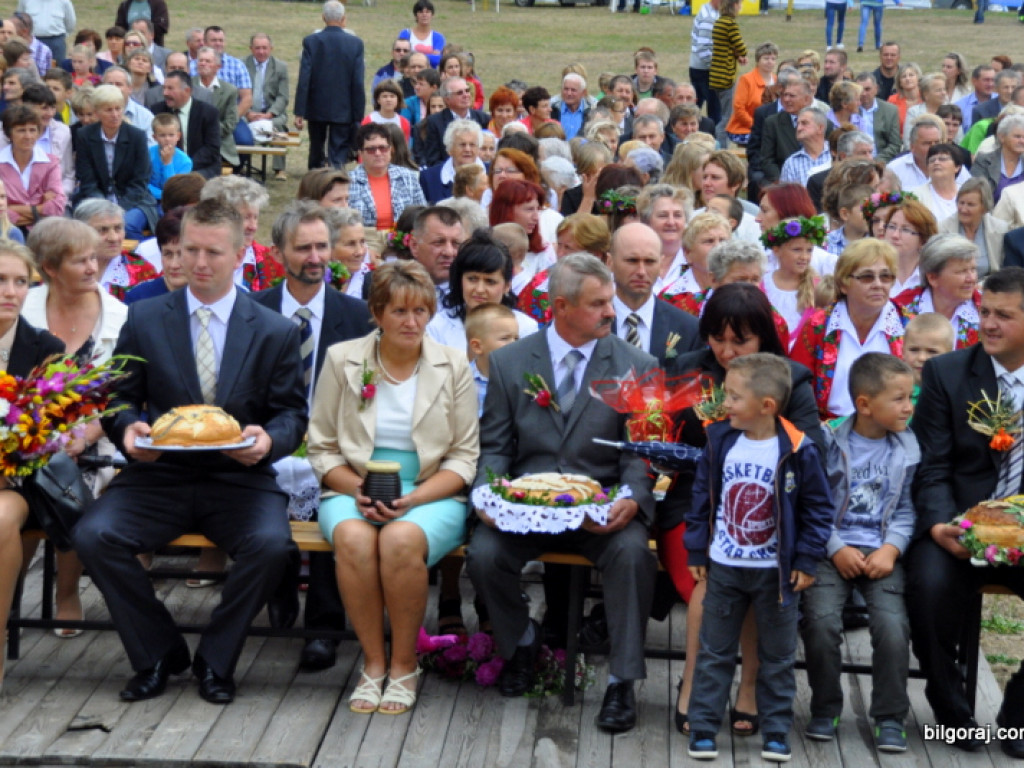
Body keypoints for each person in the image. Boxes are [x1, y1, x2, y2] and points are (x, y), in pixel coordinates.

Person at [72, 199, 307, 705]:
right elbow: (119, 395)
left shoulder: (275, 330)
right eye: (187, 250)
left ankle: (216, 660)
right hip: (159, 474)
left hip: (239, 478)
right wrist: (128, 428)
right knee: (93, 535)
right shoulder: (146, 317)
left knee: (270, 546)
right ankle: (158, 653)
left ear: (241, 253)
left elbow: (291, 414)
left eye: (212, 252)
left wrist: (268, 441)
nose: (198, 263)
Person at [466, 252, 657, 734]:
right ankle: (523, 643)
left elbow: (641, 449)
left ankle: (621, 680)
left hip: (601, 507)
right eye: (598, 304)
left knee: (634, 554)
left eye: (609, 301)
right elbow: (494, 446)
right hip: (528, 507)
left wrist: (632, 495)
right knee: (485, 555)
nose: (611, 312)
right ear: (561, 306)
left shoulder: (637, 364)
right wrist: (488, 498)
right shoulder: (510, 361)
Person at [309, 259, 477, 714]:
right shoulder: (343, 359)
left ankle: (405, 664)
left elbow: (464, 456)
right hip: (354, 483)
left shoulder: (452, 363)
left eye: (421, 311)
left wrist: (415, 498)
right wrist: (357, 488)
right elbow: (322, 447)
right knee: (353, 537)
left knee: (401, 539)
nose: (412, 322)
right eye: (400, 312)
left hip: (430, 486)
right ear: (377, 313)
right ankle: (373, 661)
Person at [684, 352, 832, 762]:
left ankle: (777, 731)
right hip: (725, 567)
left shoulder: (799, 449)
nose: (724, 403)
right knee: (714, 651)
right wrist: (697, 546)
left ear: (766, 405)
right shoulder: (719, 441)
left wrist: (805, 559)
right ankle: (703, 729)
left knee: (779, 656)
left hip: (777, 574)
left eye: (733, 396)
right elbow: (701, 500)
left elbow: (818, 509)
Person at [250, 201, 373, 670]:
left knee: (334, 498)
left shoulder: (358, 315)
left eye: (323, 246)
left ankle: (323, 626)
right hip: (267, 442)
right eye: (303, 248)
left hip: (335, 446)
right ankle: (277, 589)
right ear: (279, 253)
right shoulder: (254, 310)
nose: (316, 257)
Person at [909, 266, 1024, 759]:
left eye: (1004, 315)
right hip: (960, 522)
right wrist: (939, 525)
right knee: (928, 587)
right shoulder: (948, 373)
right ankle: (952, 710)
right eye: (984, 312)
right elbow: (931, 465)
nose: (989, 324)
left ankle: (1019, 707)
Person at [802, 352, 916, 753]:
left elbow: (905, 508)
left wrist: (892, 547)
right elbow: (813, 503)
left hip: (883, 553)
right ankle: (825, 707)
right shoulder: (828, 442)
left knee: (891, 627)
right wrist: (835, 548)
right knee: (820, 623)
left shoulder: (908, 448)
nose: (909, 406)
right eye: (899, 398)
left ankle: (889, 716)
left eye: (910, 397)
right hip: (830, 550)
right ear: (864, 404)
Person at [23, 217, 129, 636]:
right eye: (80, 261)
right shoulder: (21, 309)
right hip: (23, 434)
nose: (92, 267)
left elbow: (123, 393)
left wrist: (85, 435)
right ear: (50, 268)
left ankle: (66, 591)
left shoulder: (121, 315)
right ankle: (9, 591)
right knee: (26, 479)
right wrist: (35, 437)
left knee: (78, 478)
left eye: (93, 258)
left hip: (96, 439)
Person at [0, 240, 65, 687]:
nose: (10, 291)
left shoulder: (44, 347)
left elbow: (47, 437)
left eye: (20, 282)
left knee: (1, 518)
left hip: (16, 479)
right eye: (0, 281)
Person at [791, 238, 906, 419]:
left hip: (892, 429)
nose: (878, 284)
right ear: (844, 284)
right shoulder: (818, 327)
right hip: (829, 431)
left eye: (885, 276)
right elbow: (797, 388)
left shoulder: (907, 326)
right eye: (867, 277)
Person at [426, 230, 537, 353]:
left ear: (507, 286)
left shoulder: (525, 328)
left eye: (490, 282)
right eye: (472, 279)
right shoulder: (437, 326)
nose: (479, 290)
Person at [73, 84, 157, 241]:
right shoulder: (84, 135)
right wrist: (102, 207)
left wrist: (118, 208)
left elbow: (140, 181)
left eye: (118, 108)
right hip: (95, 198)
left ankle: (137, 263)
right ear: (97, 113)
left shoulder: (136, 136)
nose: (115, 114)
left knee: (127, 225)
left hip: (134, 200)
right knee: (83, 227)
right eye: (108, 110)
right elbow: (87, 179)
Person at [607, 222, 701, 362]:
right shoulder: (590, 323)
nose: (641, 272)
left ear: (661, 264)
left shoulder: (688, 329)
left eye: (650, 262)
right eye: (632, 261)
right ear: (610, 263)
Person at [294, 0, 365, 170]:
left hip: (316, 105)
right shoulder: (355, 43)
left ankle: (314, 184)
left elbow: (305, 78)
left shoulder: (311, 41)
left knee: (316, 148)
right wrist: (358, 114)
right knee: (338, 151)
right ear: (343, 18)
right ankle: (336, 183)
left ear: (323, 17)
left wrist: (299, 111)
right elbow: (357, 81)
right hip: (344, 106)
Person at [516, 212, 610, 324]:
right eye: (559, 245)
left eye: (568, 248)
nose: (560, 254)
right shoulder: (540, 285)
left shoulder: (617, 286)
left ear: (595, 254)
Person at [893, 233, 980, 349]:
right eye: (961, 271)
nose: (971, 278)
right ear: (933, 278)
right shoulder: (899, 309)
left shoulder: (985, 309)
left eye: (973, 269)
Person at [199, 175, 283, 293]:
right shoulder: (195, 262)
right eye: (246, 218)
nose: (253, 226)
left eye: (255, 217)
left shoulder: (273, 262)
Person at [348, 123, 426, 233]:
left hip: (402, 241)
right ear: (361, 153)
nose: (378, 153)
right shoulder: (348, 182)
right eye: (371, 149)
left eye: (383, 148)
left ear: (390, 149)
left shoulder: (408, 177)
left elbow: (422, 214)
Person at [74, 199, 158, 302]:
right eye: (102, 230)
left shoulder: (142, 269)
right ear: (80, 232)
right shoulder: (65, 269)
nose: (114, 238)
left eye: (118, 228)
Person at [760, 215, 825, 347]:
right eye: (797, 250)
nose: (804, 257)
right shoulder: (762, 284)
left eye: (809, 250)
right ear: (777, 250)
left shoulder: (818, 287)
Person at [0, 104, 65, 231]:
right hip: (6, 231)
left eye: (32, 130)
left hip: (44, 231)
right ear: (9, 134)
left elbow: (57, 207)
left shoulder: (50, 162)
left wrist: (13, 208)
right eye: (21, 130)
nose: (28, 136)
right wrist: (40, 210)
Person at [149, 70, 221, 180]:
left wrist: (185, 165)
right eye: (164, 88)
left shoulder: (208, 112)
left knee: (189, 184)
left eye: (170, 88)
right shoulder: (157, 111)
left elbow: (211, 148)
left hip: (200, 167)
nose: (165, 93)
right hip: (163, 166)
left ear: (187, 90)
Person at [659, 211, 731, 314]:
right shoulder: (669, 298)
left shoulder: (743, 288)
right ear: (687, 253)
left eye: (723, 240)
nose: (718, 247)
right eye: (709, 241)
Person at [940, 177, 1007, 278]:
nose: (963, 209)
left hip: (988, 288)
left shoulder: (1000, 229)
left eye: (970, 205)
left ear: (984, 208)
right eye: (961, 203)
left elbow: (1003, 271)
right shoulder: (942, 228)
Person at [244, 33, 290, 181]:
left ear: (271, 48)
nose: (261, 52)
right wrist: (247, 113)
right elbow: (236, 94)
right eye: (257, 48)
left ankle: (279, 169)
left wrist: (270, 114)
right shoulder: (242, 64)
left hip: (271, 114)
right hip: (247, 113)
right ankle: (239, 163)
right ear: (251, 49)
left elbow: (283, 96)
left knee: (280, 127)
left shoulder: (280, 67)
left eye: (265, 48)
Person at [465, 303, 519, 415]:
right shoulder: (461, 380)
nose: (514, 344)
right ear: (477, 346)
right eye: (505, 338)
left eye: (516, 338)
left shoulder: (522, 379)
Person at [125, 206, 188, 304]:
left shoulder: (215, 298)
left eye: (182, 255)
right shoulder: (138, 298)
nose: (174, 265)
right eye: (168, 254)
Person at [708, 0, 747, 149]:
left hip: (715, 75)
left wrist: (736, 55)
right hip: (726, 76)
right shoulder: (730, 24)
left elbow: (727, 45)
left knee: (724, 111)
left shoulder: (719, 22)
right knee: (728, 116)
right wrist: (742, 54)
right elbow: (740, 45)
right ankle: (721, 147)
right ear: (734, 5)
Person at [725, 42, 777, 147]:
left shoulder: (777, 79)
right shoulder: (746, 79)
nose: (770, 62)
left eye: (773, 59)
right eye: (766, 58)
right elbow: (739, 109)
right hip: (743, 129)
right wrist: (757, 125)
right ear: (758, 60)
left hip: (769, 129)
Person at [883, 198, 938, 295]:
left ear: (923, 239)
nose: (895, 235)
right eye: (892, 227)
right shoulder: (872, 273)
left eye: (905, 230)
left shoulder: (933, 278)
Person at [419, 119, 481, 205]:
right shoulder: (428, 178)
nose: (467, 149)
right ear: (449, 149)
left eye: (472, 144)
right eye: (462, 144)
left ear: (479, 148)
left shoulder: (491, 173)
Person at [901, 311, 954, 398]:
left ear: (949, 355)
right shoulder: (893, 394)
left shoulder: (954, 394)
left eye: (932, 351)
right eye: (914, 350)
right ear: (903, 351)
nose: (921, 358)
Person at [855, 72, 903, 164]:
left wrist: (876, 161)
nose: (864, 93)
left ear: (876, 89)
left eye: (867, 89)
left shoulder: (890, 110)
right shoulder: (850, 109)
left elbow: (895, 144)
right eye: (860, 90)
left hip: (881, 161)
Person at [909, 143, 963, 224]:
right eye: (932, 160)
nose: (936, 162)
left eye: (942, 159)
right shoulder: (916, 195)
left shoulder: (967, 192)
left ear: (957, 167)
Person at [689, 0, 721, 129]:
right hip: (705, 70)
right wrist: (715, 67)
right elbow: (702, 48)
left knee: (695, 109)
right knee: (715, 113)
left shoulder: (708, 10)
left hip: (698, 67)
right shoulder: (709, 18)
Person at [779, 108, 831, 187]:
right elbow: (788, 197)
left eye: (804, 123)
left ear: (820, 128)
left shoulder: (836, 154)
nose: (799, 128)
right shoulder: (791, 163)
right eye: (798, 124)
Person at [147, 112, 191, 202]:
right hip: (148, 198)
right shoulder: (148, 154)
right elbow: (143, 183)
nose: (167, 139)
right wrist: (160, 195)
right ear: (154, 137)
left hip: (172, 202)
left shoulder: (185, 162)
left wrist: (168, 163)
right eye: (162, 135)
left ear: (178, 136)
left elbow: (173, 189)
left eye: (171, 135)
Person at [825, 183, 874, 257]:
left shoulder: (876, 241)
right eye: (865, 210)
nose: (870, 214)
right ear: (845, 214)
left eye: (873, 210)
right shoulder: (827, 242)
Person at [397, 0, 445, 69]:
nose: (424, 14)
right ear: (416, 15)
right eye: (421, 12)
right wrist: (430, 56)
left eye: (427, 12)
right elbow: (402, 56)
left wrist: (412, 55)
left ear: (432, 15)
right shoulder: (406, 34)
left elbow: (438, 60)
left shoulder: (438, 37)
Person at [886, 63, 922, 137]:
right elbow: (888, 127)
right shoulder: (892, 100)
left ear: (918, 78)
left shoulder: (927, 97)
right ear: (900, 83)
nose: (908, 79)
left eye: (911, 75)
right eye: (904, 76)